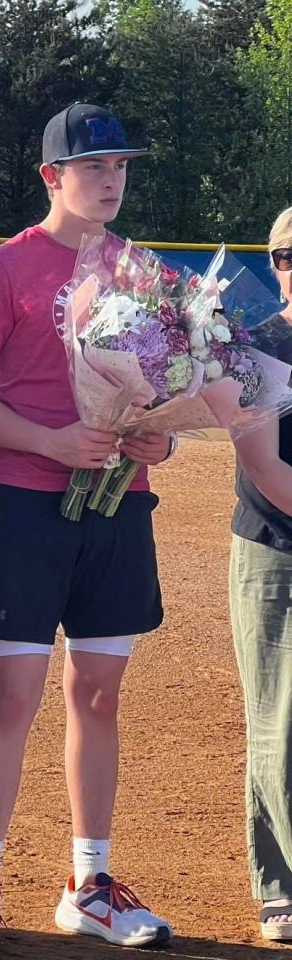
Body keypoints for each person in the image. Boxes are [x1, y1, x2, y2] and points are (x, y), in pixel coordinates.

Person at [0, 103, 174, 953]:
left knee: (99, 695)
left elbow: (169, 390)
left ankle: (88, 883)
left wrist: (163, 435)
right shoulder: (5, 269)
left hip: (121, 505)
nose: (111, 181)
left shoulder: (145, 272)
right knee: (14, 697)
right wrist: (50, 440)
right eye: (94, 167)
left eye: (120, 167)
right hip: (28, 504)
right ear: (53, 177)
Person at [230, 207, 292, 944]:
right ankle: (281, 881)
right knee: (281, 718)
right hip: (276, 548)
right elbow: (263, 465)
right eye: (286, 256)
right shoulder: (260, 347)